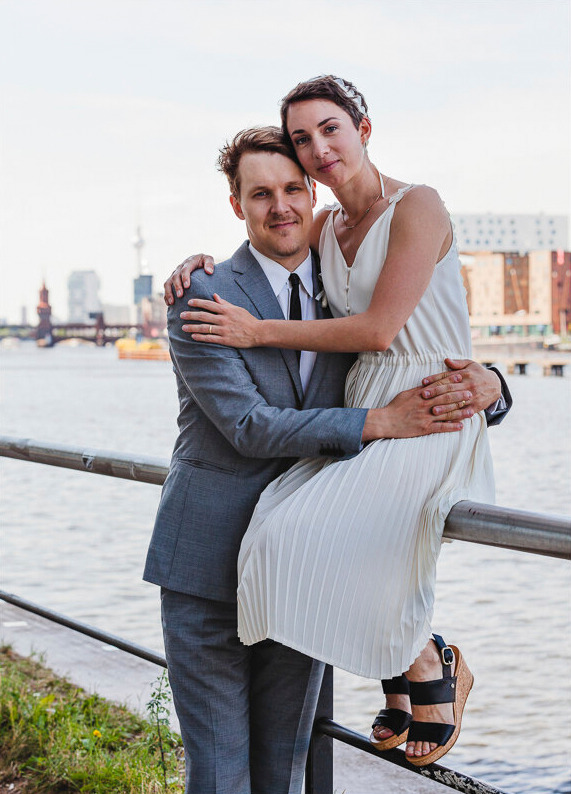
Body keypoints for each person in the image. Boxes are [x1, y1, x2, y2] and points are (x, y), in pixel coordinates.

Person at [146, 125, 509, 793]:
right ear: (236, 205)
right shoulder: (202, 296)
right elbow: (249, 428)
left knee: (286, 766)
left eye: (292, 189)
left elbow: (419, 350)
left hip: (305, 571)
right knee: (220, 772)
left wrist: (492, 383)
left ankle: (419, 655)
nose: (280, 206)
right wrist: (381, 422)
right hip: (207, 565)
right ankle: (419, 656)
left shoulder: (345, 297)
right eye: (260, 194)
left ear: (313, 194)